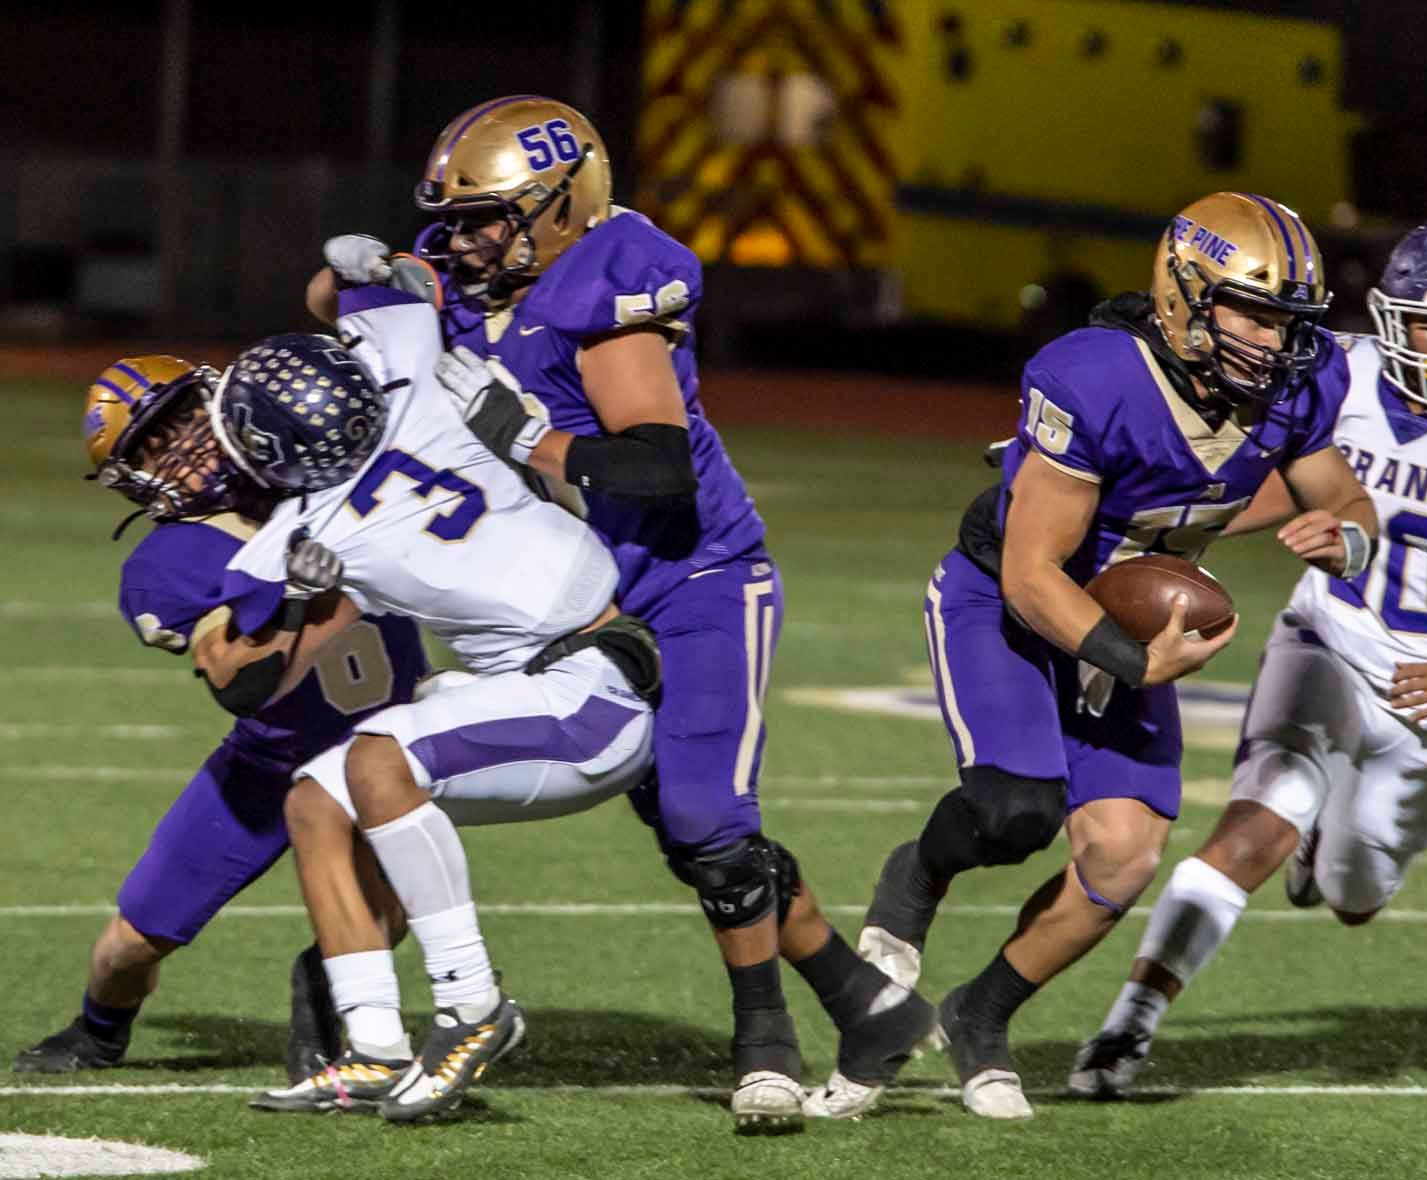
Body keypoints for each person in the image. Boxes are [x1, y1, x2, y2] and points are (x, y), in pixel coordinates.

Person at [307, 95, 936, 1132]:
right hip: (571, 601)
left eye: (484, 218)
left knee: (704, 818)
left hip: (691, 581)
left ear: (561, 207)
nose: (463, 241)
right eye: (452, 222)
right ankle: (867, 1007)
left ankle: (763, 1044)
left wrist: (527, 441)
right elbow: (337, 301)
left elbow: (653, 470)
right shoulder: (478, 268)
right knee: (688, 831)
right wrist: (361, 275)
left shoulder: (607, 278)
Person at [1069, 214, 1427, 1098]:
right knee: (1254, 823)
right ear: (1391, 314)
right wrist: (1145, 522)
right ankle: (1127, 1028)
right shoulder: (1339, 370)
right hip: (1327, 637)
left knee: (1356, 890)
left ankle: (1328, 851)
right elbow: (1257, 478)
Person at [854, 192, 1380, 1119]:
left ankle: (981, 1015)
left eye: (1289, 319)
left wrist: (1349, 540)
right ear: (1184, 295)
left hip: (1129, 615)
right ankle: (916, 877)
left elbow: (1345, 498)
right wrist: (1136, 666)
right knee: (1017, 811)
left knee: (1122, 860)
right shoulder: (1096, 376)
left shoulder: (1297, 386)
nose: (1277, 340)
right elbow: (1032, 572)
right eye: (1254, 312)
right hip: (1012, 601)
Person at [192, 298, 667, 1121]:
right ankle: (374, 1045)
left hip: (591, 695)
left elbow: (240, 681)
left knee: (380, 757)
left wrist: (294, 601)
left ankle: (471, 1006)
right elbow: (387, 281)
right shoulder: (408, 383)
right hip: (557, 679)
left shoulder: (304, 525)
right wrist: (366, 274)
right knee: (314, 799)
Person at [14, 357, 425, 1081]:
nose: (183, 445)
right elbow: (238, 682)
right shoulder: (168, 562)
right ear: (134, 480)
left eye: (182, 418)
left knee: (389, 918)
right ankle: (99, 1032)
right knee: (130, 944)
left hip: (388, 750)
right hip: (270, 767)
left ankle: (326, 984)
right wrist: (294, 596)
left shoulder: (322, 474)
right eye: (151, 446)